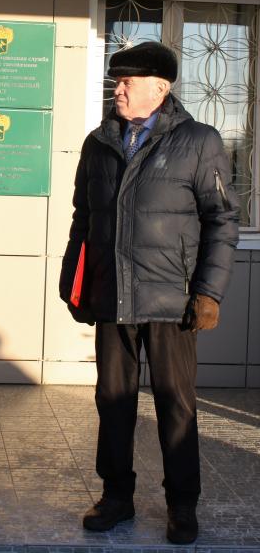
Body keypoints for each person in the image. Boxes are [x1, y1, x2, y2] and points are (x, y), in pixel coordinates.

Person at [60, 42, 239, 545]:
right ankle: (116, 496)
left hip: (172, 303)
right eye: (116, 82)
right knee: (112, 400)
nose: (117, 90)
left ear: (160, 88)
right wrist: (74, 281)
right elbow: (83, 218)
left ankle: (182, 504)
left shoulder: (198, 141)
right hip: (112, 297)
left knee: (175, 404)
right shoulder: (99, 143)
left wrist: (209, 292)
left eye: (127, 82)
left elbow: (222, 220)